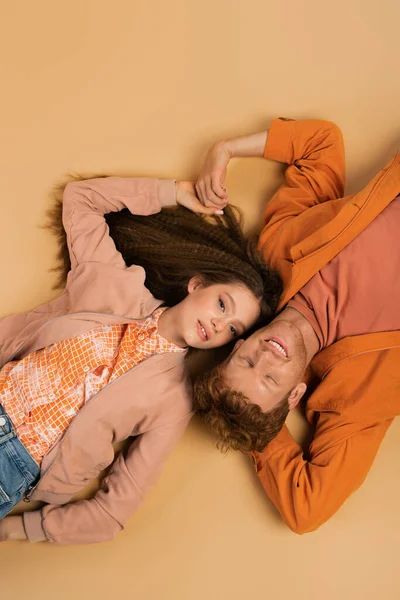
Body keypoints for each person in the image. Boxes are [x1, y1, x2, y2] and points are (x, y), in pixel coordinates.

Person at [0, 175, 282, 545]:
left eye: (231, 329)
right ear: (197, 285)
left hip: (14, 467)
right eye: (222, 304)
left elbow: (112, 512)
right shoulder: (114, 282)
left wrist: (23, 529)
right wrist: (173, 193)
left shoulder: (174, 401)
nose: (218, 324)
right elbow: (81, 198)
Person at [193, 117, 400, 534]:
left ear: (238, 345)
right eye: (270, 380)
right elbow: (307, 509)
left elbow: (321, 145)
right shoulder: (353, 398)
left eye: (248, 361)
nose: (266, 356)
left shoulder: (278, 253)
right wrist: (254, 434)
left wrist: (225, 148)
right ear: (295, 395)